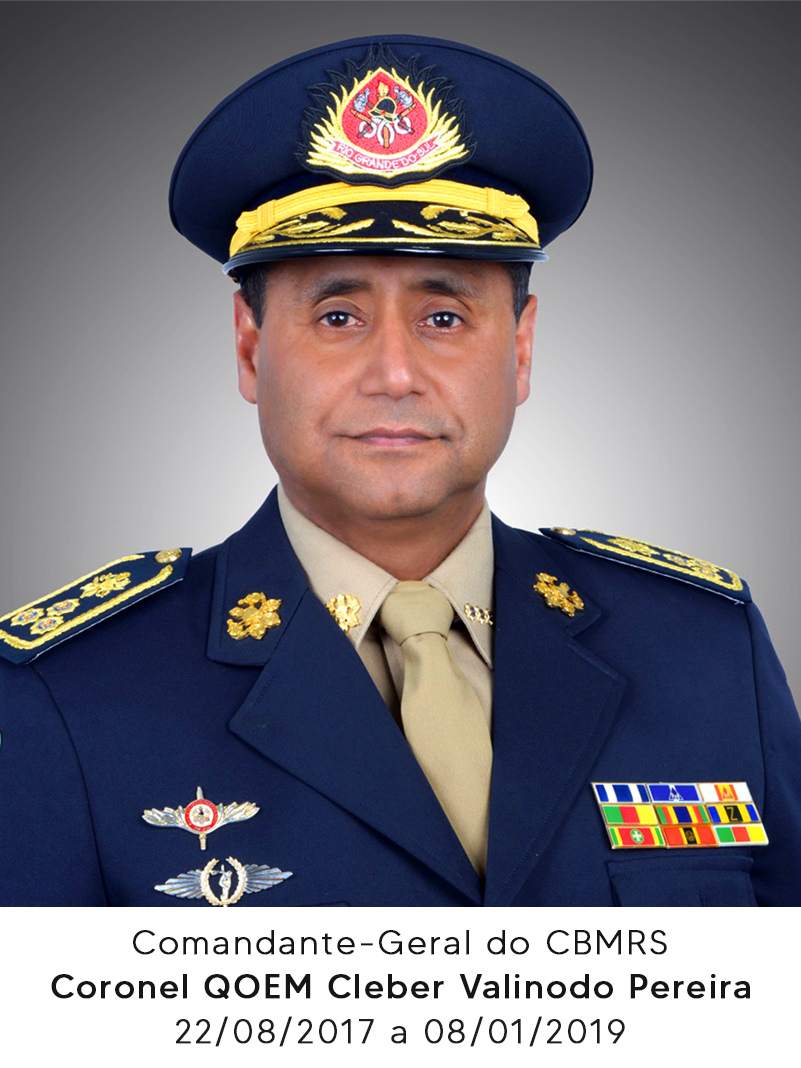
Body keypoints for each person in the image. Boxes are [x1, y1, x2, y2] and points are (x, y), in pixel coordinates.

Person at [1, 34, 799, 907]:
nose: (393, 374)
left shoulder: (701, 647)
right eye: (338, 316)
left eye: (444, 318)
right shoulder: (68, 692)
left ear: (520, 350)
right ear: (250, 348)